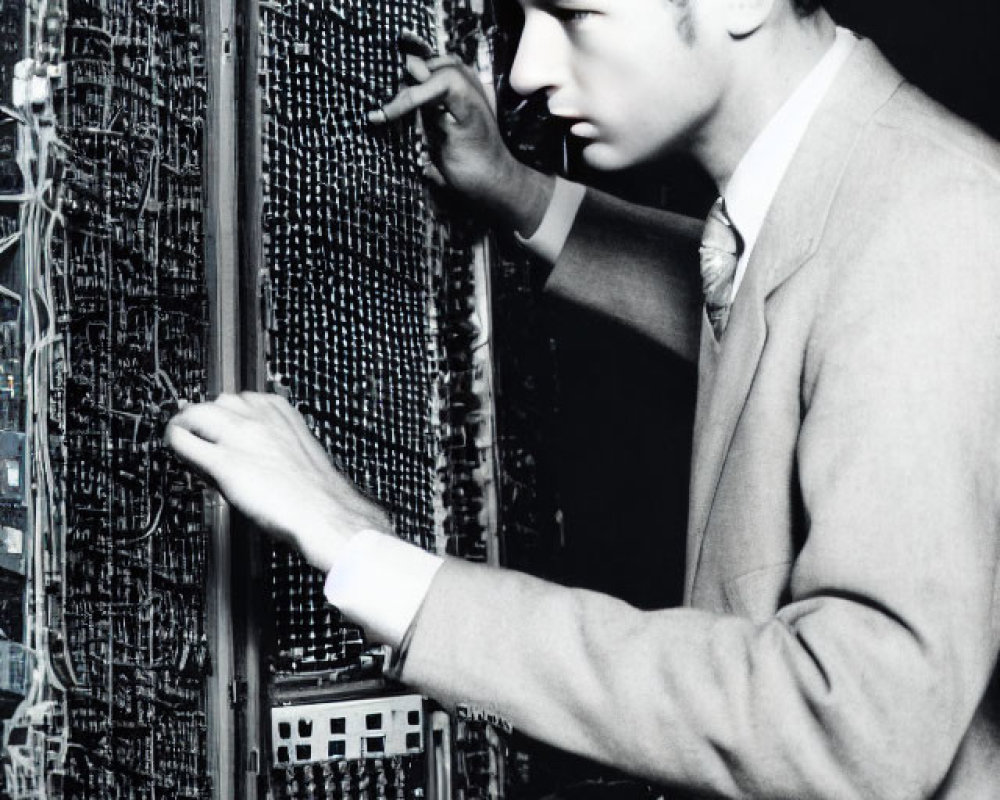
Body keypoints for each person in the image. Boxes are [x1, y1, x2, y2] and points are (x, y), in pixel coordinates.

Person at [166, 0, 1000, 796]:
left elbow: (857, 731)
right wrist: (516, 191)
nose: (525, 71)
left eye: (574, 17)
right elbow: (766, 298)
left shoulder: (933, 229)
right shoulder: (852, 185)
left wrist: (369, 554)